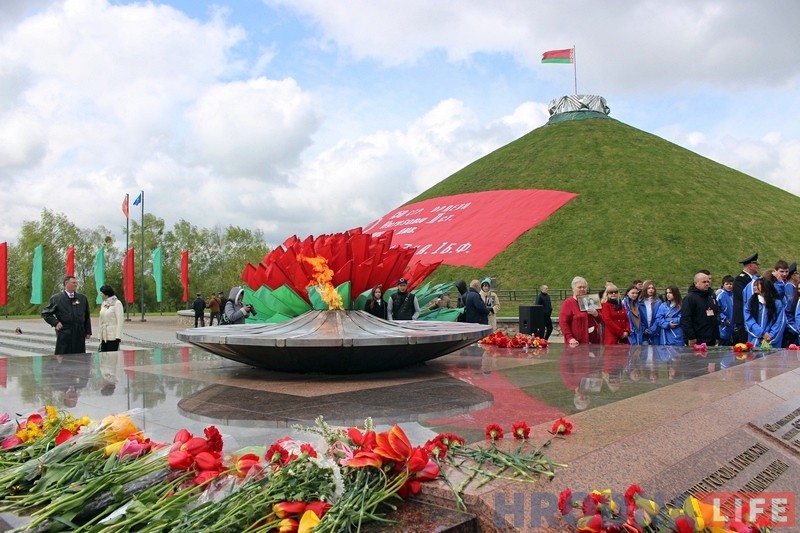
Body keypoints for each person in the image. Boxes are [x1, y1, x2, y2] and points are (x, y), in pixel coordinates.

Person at [41, 275, 92, 355]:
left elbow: (86, 316)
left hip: (79, 333)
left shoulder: (82, 298)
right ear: (66, 284)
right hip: (65, 332)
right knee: (63, 357)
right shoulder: (57, 298)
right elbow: (46, 313)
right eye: (73, 283)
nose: (76, 285)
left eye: (76, 283)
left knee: (80, 358)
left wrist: (88, 331)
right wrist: (55, 322)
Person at [559, 276, 602, 347]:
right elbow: (563, 322)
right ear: (573, 289)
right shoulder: (568, 303)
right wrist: (570, 338)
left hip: (593, 342)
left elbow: (601, 320)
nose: (582, 289)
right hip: (577, 342)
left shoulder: (591, 300)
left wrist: (596, 314)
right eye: (579, 287)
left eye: (584, 287)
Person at [680, 271, 720, 346]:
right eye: (704, 282)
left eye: (708, 281)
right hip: (697, 340)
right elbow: (686, 319)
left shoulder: (710, 297)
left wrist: (716, 336)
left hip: (711, 339)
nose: (707, 284)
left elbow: (715, 317)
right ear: (696, 283)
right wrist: (691, 337)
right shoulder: (690, 298)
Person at [744, 277, 785, 348]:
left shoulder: (777, 303)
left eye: (757, 285)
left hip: (772, 340)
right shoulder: (751, 303)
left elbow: (780, 322)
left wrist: (771, 335)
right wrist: (761, 333)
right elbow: (748, 320)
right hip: (755, 340)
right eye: (754, 285)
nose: (754, 287)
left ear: (765, 287)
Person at [733, 253, 759, 343]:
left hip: (749, 317)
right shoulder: (740, 280)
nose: (758, 266)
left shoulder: (753, 279)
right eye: (756, 264)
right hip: (743, 318)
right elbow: (744, 297)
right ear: (750, 265)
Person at [98, 285, 124, 352]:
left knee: (112, 358)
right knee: (103, 357)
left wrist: (118, 336)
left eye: (102, 293)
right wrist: (99, 335)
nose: (101, 295)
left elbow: (120, 321)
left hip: (113, 336)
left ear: (106, 294)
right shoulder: (104, 304)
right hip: (104, 336)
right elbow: (101, 321)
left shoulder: (117, 303)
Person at [640, 280, 662, 345]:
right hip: (644, 333)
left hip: (655, 333)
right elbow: (638, 318)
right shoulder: (640, 302)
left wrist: (652, 330)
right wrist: (644, 329)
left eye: (652, 288)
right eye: (649, 288)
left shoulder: (658, 302)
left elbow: (659, 317)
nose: (651, 290)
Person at [717, 275, 735, 345]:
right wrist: (723, 319)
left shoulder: (735, 295)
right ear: (723, 285)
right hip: (724, 326)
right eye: (727, 284)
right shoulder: (720, 296)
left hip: (734, 326)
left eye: (730, 284)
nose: (729, 286)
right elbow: (717, 310)